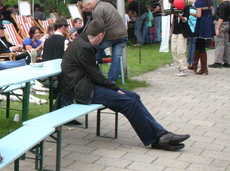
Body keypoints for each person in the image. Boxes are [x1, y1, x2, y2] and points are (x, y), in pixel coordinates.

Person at [57, 19, 190, 151]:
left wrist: (115, 89)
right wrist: (115, 88)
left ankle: (161, 135)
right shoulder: (84, 47)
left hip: (86, 85)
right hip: (81, 90)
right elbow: (96, 76)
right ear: (101, 35)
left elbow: (94, 75)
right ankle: (155, 139)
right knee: (129, 103)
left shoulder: (83, 42)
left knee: (134, 97)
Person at [81, 0, 128, 82]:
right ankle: (112, 81)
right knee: (116, 59)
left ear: (90, 4)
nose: (84, 10)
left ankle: (95, 75)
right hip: (123, 35)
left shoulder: (97, 11)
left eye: (85, 7)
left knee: (93, 49)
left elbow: (98, 28)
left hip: (110, 36)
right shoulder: (107, 4)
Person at [188, 0, 216, 75]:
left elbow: (199, 15)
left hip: (202, 23)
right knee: (199, 43)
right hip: (209, 21)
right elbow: (213, 12)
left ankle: (203, 68)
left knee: (200, 45)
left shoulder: (199, 1)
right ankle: (195, 65)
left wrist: (190, 13)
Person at [169, 0, 192, 77]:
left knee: (180, 50)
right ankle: (178, 67)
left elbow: (185, 19)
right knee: (174, 50)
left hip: (182, 32)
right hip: (175, 31)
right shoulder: (173, 8)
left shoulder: (186, 8)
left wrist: (178, 15)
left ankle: (183, 68)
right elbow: (165, 13)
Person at [210, 0, 230, 68]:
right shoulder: (228, 3)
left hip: (221, 23)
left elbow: (221, 17)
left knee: (220, 43)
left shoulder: (222, 5)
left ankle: (218, 61)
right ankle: (227, 61)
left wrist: (218, 28)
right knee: (227, 43)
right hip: (228, 23)